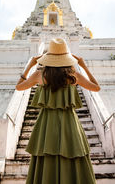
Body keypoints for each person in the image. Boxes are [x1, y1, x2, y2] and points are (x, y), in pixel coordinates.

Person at [16, 38, 100, 184]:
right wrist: (84, 66)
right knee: (73, 153)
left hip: (46, 123)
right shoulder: (74, 76)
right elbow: (96, 87)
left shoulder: (39, 75)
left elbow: (19, 87)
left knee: (47, 155)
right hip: (70, 122)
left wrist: (29, 66)